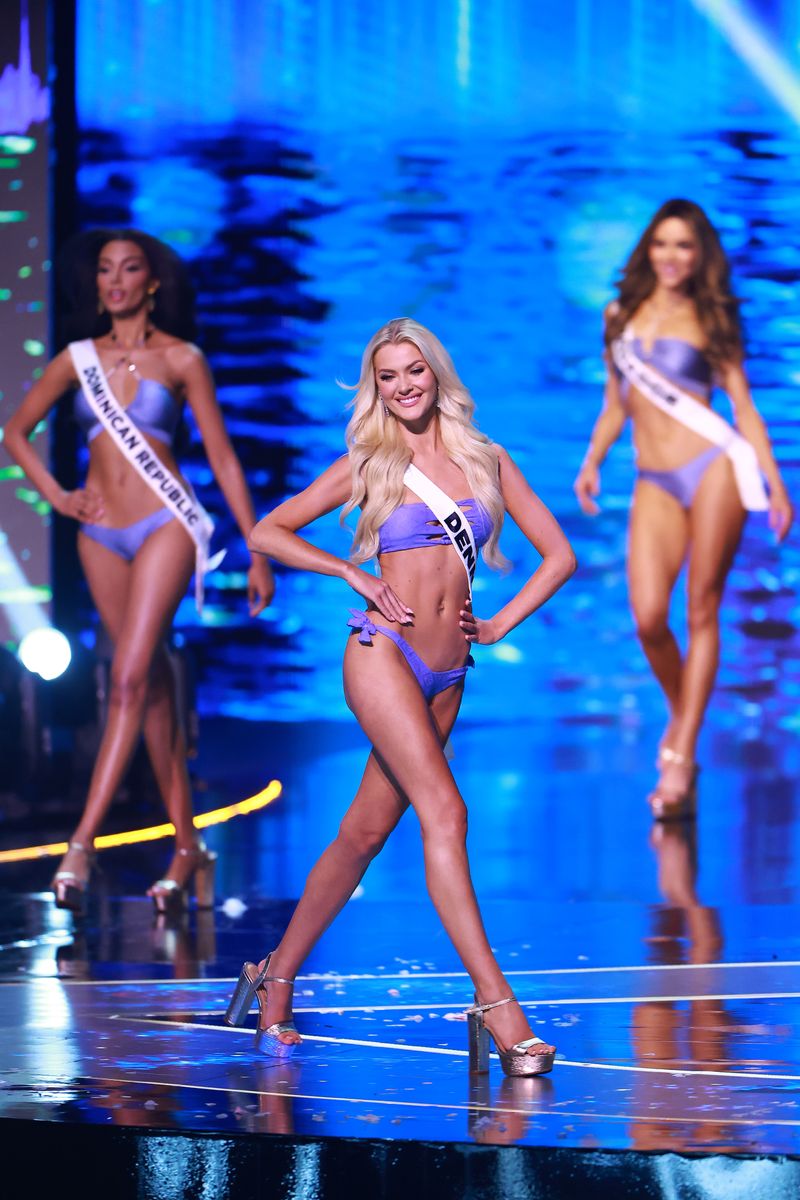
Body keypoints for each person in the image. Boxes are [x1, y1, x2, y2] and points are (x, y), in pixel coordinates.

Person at [225, 317, 576, 1076]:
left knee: (362, 835)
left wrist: (500, 623)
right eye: (388, 376)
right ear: (376, 387)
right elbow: (267, 532)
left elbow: (560, 556)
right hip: (382, 653)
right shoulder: (371, 460)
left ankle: (274, 977)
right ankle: (498, 1007)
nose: (404, 386)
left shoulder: (487, 459)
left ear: (436, 373)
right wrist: (349, 572)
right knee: (447, 813)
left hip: (449, 675)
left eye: (414, 370)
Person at [4, 229, 274, 913]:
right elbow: (14, 432)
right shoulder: (77, 359)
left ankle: (81, 845)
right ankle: (187, 847)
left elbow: (223, 458)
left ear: (152, 282)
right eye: (105, 270)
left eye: (129, 269)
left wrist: (259, 548)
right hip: (99, 533)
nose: (116, 280)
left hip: (166, 524)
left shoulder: (182, 358)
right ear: (96, 284)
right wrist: (57, 496)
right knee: (146, 684)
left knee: (126, 679)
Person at [574, 199, 792, 819]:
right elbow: (615, 403)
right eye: (663, 243)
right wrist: (592, 460)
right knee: (648, 617)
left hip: (715, 467)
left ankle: (681, 754)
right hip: (654, 478)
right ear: (649, 248)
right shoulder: (619, 315)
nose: (672, 256)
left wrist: (775, 484)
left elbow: (742, 406)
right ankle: (685, 718)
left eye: (685, 246)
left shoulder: (713, 316)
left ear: (700, 256)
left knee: (701, 608)